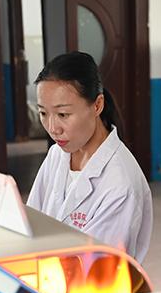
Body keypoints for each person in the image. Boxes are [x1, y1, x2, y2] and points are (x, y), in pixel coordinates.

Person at [27, 51, 152, 262]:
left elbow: (97, 265)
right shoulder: (57, 155)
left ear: (97, 105)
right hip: (49, 274)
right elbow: (30, 221)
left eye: (63, 114)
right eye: (43, 113)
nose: (53, 128)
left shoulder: (120, 184)